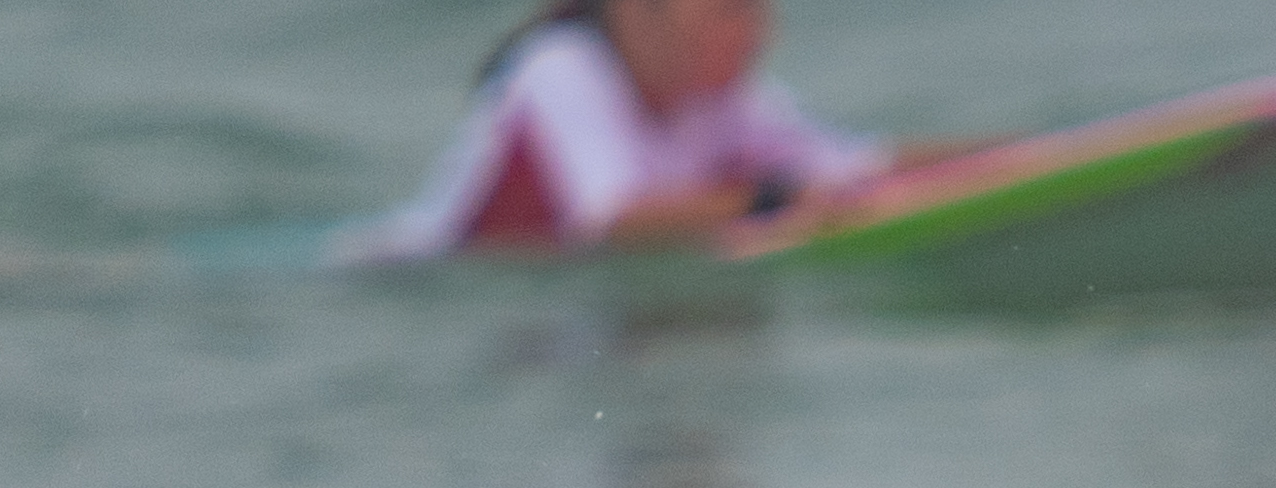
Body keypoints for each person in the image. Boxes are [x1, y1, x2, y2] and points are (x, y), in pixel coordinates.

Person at [362, 0, 899, 260]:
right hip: (414, 282)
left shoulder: (719, 100)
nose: (760, 34)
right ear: (637, 12)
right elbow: (610, 218)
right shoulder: (559, 67)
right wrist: (776, 199)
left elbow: (858, 166)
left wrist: (983, 154)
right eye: (730, 10)